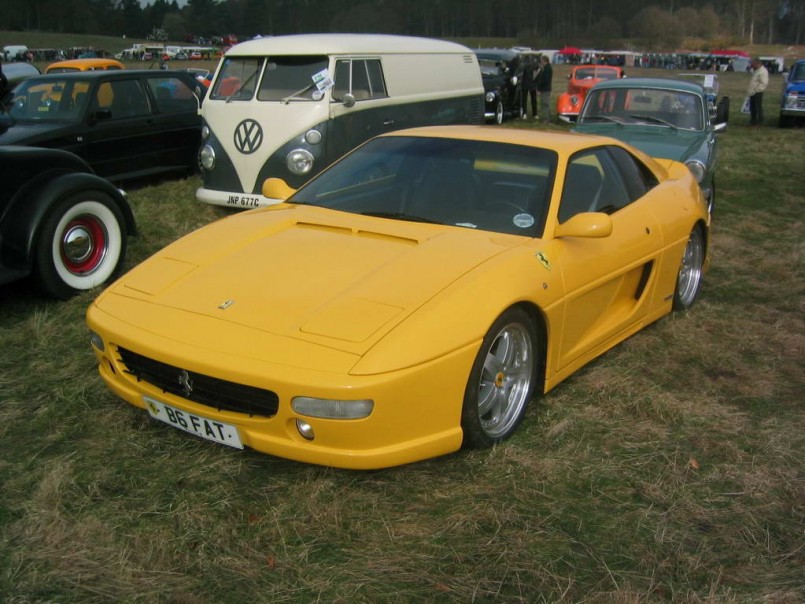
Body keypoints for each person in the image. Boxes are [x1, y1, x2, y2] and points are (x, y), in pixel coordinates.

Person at [747, 57, 769, 126]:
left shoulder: (763, 71)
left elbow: (764, 83)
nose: (751, 65)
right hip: (753, 93)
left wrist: (756, 90)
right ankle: (753, 122)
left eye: (753, 64)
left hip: (758, 92)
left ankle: (759, 123)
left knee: (758, 108)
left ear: (757, 64)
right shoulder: (756, 70)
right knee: (752, 108)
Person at [535, 55, 553, 122]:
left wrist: (539, 88)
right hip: (545, 89)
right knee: (543, 104)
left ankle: (546, 119)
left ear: (544, 60)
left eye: (541, 60)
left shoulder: (547, 68)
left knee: (545, 104)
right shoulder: (545, 68)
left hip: (545, 89)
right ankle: (545, 118)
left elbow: (545, 80)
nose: (540, 61)